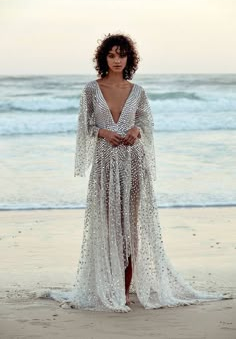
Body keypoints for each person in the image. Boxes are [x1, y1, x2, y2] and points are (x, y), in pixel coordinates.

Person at [36, 33, 231, 312]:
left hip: (133, 162)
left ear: (129, 58)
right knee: (108, 225)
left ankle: (125, 290)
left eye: (122, 55)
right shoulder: (91, 89)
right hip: (105, 163)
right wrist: (102, 131)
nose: (117, 60)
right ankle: (110, 284)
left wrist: (135, 130)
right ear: (104, 58)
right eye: (112, 55)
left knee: (130, 227)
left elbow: (145, 123)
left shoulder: (138, 91)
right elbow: (85, 126)